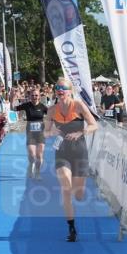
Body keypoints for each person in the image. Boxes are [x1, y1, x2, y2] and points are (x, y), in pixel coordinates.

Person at [45, 77, 98, 242]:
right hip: (62, 152)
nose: (60, 91)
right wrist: (51, 132)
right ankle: (72, 228)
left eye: (63, 89)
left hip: (80, 152)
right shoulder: (51, 110)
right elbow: (45, 132)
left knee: (79, 194)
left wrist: (80, 133)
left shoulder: (79, 105)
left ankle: (78, 193)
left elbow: (94, 125)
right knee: (66, 189)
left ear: (70, 91)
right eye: (57, 89)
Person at [16, 86, 48, 178]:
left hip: (41, 133)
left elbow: (51, 116)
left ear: (39, 96)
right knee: (32, 155)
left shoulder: (42, 107)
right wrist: (11, 98)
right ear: (30, 96)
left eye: (36, 95)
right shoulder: (27, 105)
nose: (34, 97)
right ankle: (30, 165)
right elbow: (13, 108)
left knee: (39, 155)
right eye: (33, 95)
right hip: (30, 133)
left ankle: (37, 172)